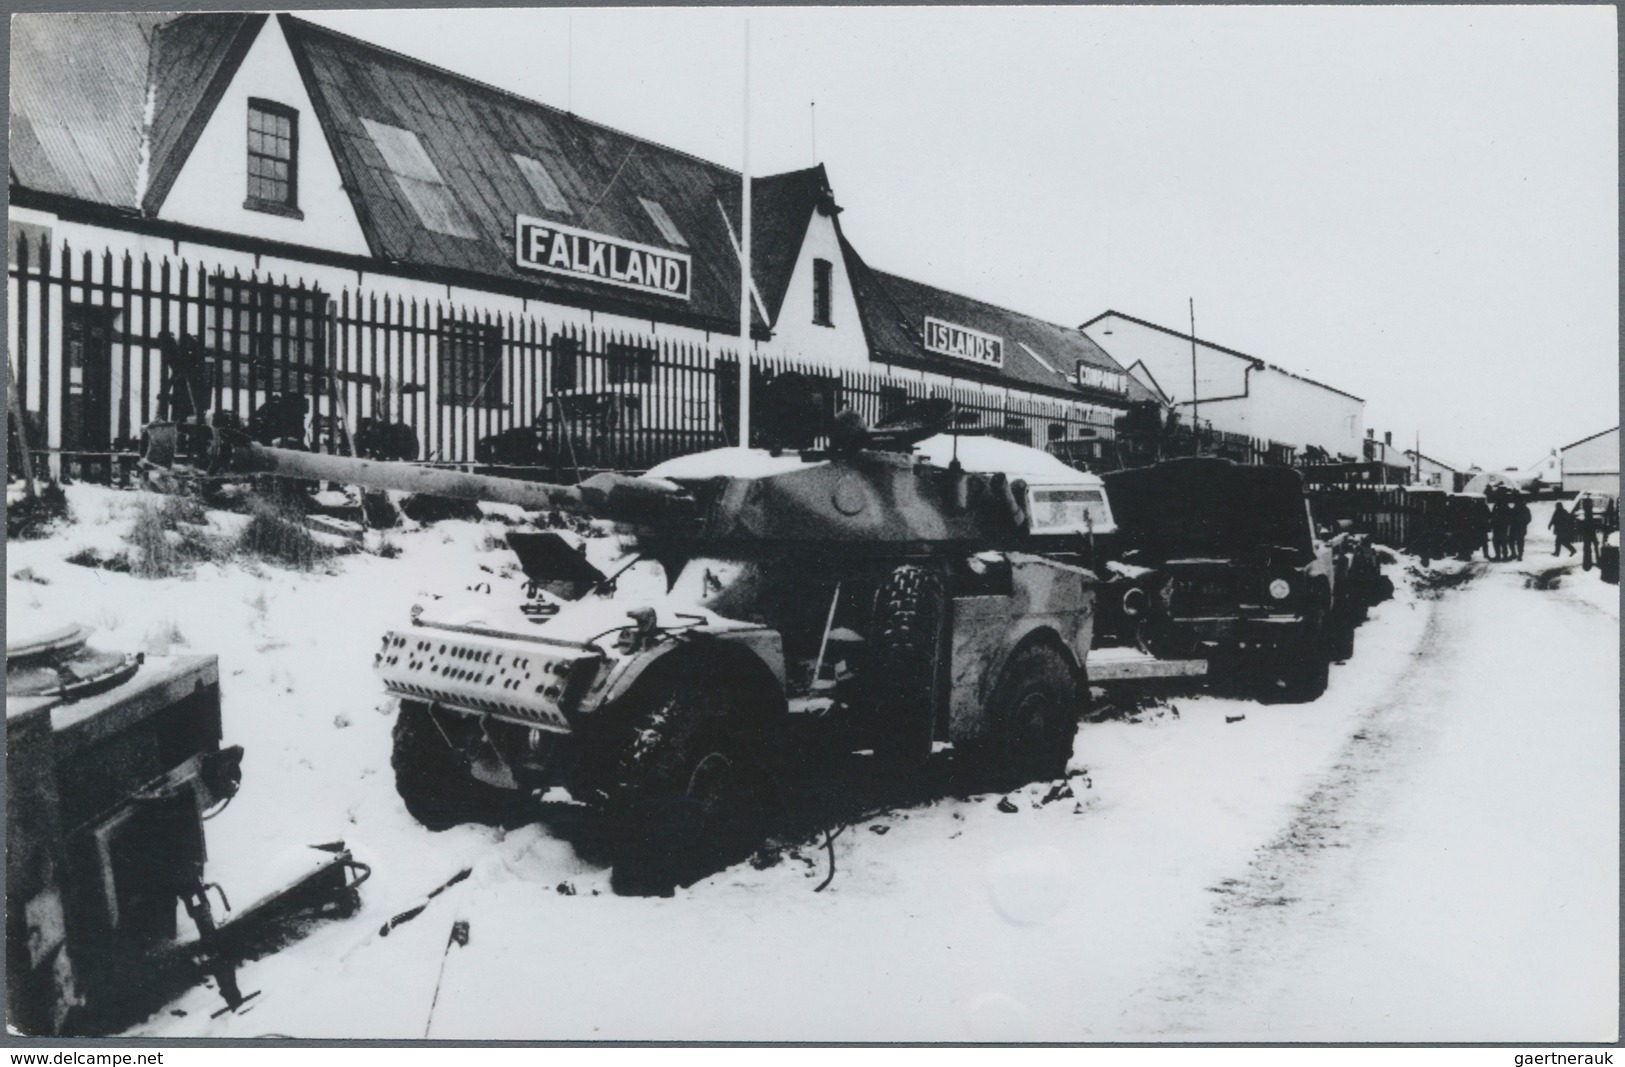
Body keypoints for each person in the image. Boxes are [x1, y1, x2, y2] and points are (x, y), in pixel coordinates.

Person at [1510, 492, 1531, 561]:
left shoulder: (1522, 509)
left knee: (1516, 541)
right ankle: (1517, 554)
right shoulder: (1523, 508)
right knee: (1516, 541)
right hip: (1518, 527)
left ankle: (1517, 555)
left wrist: (1523, 523)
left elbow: (1528, 518)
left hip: (1518, 527)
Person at [1490, 496, 1510, 560]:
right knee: (1499, 541)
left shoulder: (1499, 507)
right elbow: (1492, 515)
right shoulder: (1501, 506)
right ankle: (1502, 555)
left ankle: (1502, 555)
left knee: (1499, 541)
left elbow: (1493, 515)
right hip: (1499, 526)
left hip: (1501, 526)